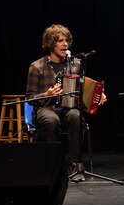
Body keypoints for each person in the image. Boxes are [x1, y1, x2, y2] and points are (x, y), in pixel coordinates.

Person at [26, 24, 106, 182]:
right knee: (51, 119)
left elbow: (83, 88)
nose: (65, 44)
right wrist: (46, 94)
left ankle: (75, 166)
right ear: (50, 43)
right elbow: (30, 98)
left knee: (75, 115)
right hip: (45, 107)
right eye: (60, 41)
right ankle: (52, 167)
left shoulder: (75, 64)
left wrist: (98, 94)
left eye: (66, 40)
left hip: (67, 107)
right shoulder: (36, 67)